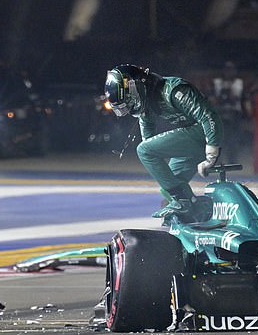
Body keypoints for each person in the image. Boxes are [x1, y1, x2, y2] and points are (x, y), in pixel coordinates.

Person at [104, 64, 224, 219]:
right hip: (194, 140)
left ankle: (184, 202)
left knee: (144, 151)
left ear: (137, 85)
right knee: (168, 186)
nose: (131, 105)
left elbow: (208, 116)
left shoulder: (174, 90)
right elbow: (149, 140)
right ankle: (197, 211)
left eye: (129, 99)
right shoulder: (147, 101)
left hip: (203, 133)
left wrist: (211, 154)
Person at [211, 61, 248, 163]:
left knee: (233, 139)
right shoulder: (217, 83)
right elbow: (212, 98)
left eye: (231, 70)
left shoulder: (239, 83)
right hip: (220, 113)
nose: (229, 72)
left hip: (234, 114)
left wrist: (247, 116)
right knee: (219, 140)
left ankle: (232, 161)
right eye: (227, 70)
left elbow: (243, 99)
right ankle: (217, 161)